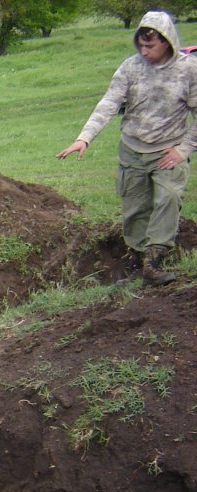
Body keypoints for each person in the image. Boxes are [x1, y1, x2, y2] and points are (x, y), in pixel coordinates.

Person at [57, 10, 197, 286]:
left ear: (167, 41)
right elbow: (108, 104)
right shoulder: (130, 68)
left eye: (150, 46)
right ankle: (137, 260)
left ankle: (153, 262)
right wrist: (84, 138)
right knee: (135, 209)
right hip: (132, 151)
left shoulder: (189, 70)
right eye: (141, 45)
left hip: (167, 152)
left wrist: (183, 150)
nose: (144, 51)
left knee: (168, 199)